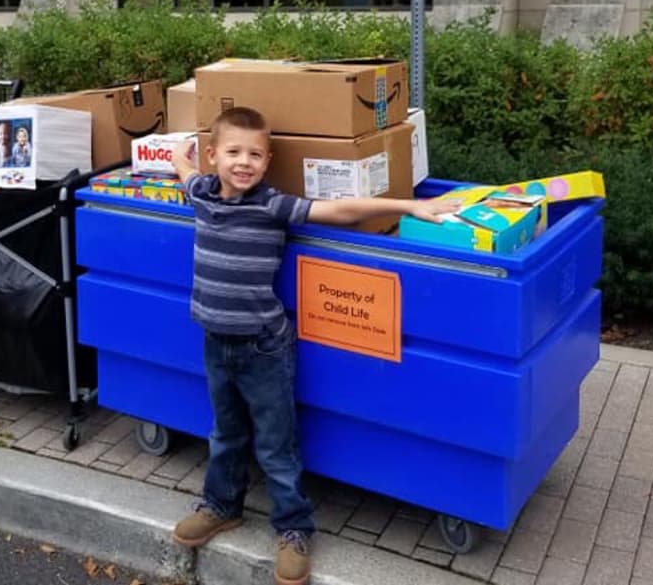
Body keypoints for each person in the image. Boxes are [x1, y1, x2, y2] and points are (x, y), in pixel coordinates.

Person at [168, 107, 456, 585]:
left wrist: (408, 206)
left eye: (255, 154)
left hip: (263, 348)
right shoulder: (200, 191)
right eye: (234, 152)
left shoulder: (273, 205)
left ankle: (293, 529)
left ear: (268, 160)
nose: (244, 163)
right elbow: (188, 172)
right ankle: (222, 506)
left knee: (277, 445)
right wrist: (182, 156)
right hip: (215, 342)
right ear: (214, 155)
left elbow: (339, 211)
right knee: (225, 434)